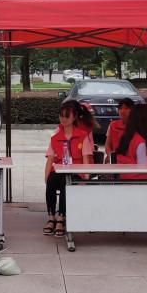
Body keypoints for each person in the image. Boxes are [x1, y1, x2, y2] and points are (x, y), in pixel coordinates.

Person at [43, 100, 95, 237]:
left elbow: (86, 158)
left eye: (67, 116)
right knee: (52, 181)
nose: (63, 119)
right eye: (61, 116)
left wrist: (86, 178)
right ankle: (51, 217)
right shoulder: (55, 138)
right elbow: (50, 159)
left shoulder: (83, 136)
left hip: (76, 172)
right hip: (60, 170)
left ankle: (61, 217)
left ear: (74, 117)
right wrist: (46, 177)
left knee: (65, 183)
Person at [115, 103, 147, 180]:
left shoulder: (126, 137)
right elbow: (144, 167)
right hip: (136, 179)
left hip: (124, 176)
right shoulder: (140, 142)